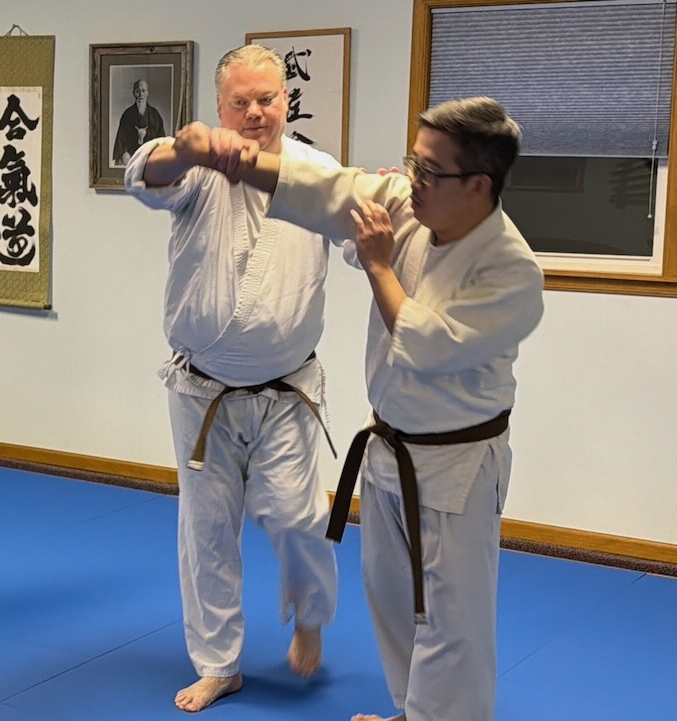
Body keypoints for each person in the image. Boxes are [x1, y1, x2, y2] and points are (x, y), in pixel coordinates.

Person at [174, 96, 543, 721]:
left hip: (456, 464)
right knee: (393, 596)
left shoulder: (511, 271)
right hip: (390, 446)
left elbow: (426, 346)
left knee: (451, 613)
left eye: (428, 171)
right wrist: (234, 159)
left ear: (477, 184)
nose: (409, 180)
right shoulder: (412, 209)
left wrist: (376, 264)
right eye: (412, 163)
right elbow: (331, 187)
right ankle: (411, 710)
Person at [124, 45, 341, 713]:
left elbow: (366, 237)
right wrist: (185, 149)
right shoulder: (199, 168)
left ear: (286, 102)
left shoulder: (314, 172)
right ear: (221, 107)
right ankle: (220, 663)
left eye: (267, 99)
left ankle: (311, 612)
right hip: (203, 388)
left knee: (297, 516)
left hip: (287, 389)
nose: (254, 112)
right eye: (240, 102)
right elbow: (143, 174)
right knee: (207, 529)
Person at [113, 79, 168, 166]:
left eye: (143, 91)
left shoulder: (155, 115)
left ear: (147, 93)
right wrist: (125, 154)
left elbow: (161, 140)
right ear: (133, 93)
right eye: (138, 91)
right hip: (131, 160)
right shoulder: (127, 115)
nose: (141, 95)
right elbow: (121, 140)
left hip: (150, 161)